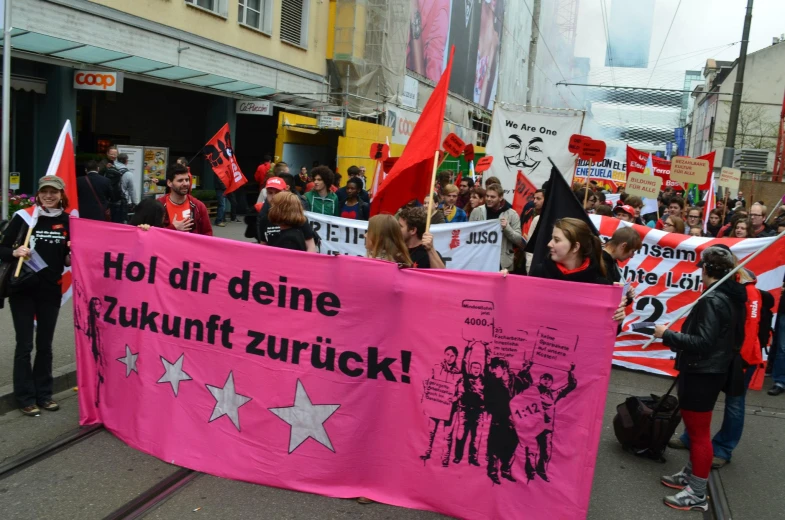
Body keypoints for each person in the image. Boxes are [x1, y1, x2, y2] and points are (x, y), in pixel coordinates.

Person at [655, 246, 746, 512]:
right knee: (698, 433)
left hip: (703, 371)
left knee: (698, 435)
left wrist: (667, 335)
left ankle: (696, 492)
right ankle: (691, 474)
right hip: (711, 370)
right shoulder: (730, 296)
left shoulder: (713, 299)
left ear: (705, 270)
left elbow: (703, 342)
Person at [670, 265, 772, 469]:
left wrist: (740, 361)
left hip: (740, 359)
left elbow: (750, 329)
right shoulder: (728, 288)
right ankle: (691, 438)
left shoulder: (747, 291)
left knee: (734, 404)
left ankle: (723, 448)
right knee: (703, 402)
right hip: (724, 357)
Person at [0, 176, 72, 416]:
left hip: (50, 290)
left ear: (61, 194)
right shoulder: (25, 217)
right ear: (38, 194)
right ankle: (25, 397)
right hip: (23, 289)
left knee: (45, 345)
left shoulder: (68, 221)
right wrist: (14, 251)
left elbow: (66, 257)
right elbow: (2, 249)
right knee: (24, 344)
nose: (49, 196)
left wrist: (71, 256)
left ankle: (44, 394)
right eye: (44, 192)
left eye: (54, 192)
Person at [469, 184, 523, 271]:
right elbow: (469, 235)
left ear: (500, 198)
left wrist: (507, 228)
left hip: (501, 262)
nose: (489, 199)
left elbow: (518, 240)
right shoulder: (477, 211)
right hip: (480, 260)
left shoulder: (512, 214)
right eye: (487, 196)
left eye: (492, 197)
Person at [257, 177, 318, 252]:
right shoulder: (264, 219)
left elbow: (310, 246)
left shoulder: (298, 218)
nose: (273, 196)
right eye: (270, 193)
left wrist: (307, 262)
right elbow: (263, 245)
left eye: (277, 192)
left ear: (286, 191)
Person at [161, 164, 213, 235]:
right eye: (180, 180)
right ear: (169, 183)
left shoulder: (198, 206)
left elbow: (208, 234)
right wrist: (173, 228)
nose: (185, 183)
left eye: (187, 180)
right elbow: (153, 235)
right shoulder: (159, 205)